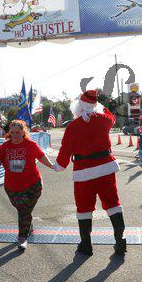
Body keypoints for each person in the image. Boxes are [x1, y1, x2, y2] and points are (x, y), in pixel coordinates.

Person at [53, 90, 126, 256]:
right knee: (113, 203)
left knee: (84, 207)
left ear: (78, 107)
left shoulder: (73, 126)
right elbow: (110, 115)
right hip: (106, 169)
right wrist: (98, 105)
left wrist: (59, 166)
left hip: (83, 172)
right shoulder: (105, 120)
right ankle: (120, 240)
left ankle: (86, 244)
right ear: (96, 105)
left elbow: (65, 150)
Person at [0, 120, 55, 250]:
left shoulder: (30, 145)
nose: (15, 135)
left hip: (33, 185)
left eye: (18, 132)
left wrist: (53, 166)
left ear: (23, 132)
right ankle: (28, 226)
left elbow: (41, 157)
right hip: (12, 187)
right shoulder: (5, 146)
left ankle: (22, 237)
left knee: (23, 210)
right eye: (12, 132)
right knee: (23, 210)